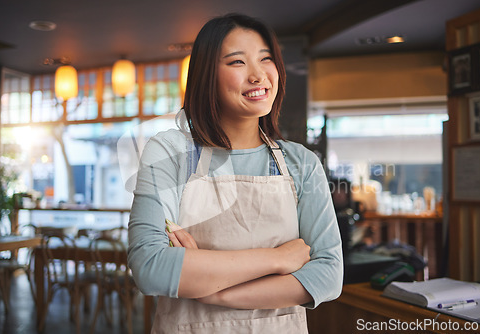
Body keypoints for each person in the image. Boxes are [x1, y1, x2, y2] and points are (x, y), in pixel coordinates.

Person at [128, 13, 343, 334]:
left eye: (266, 58)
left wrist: (214, 291)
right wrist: (279, 260)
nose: (258, 75)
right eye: (237, 62)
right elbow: (149, 267)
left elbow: (328, 276)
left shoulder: (302, 163)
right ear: (206, 76)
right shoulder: (171, 152)